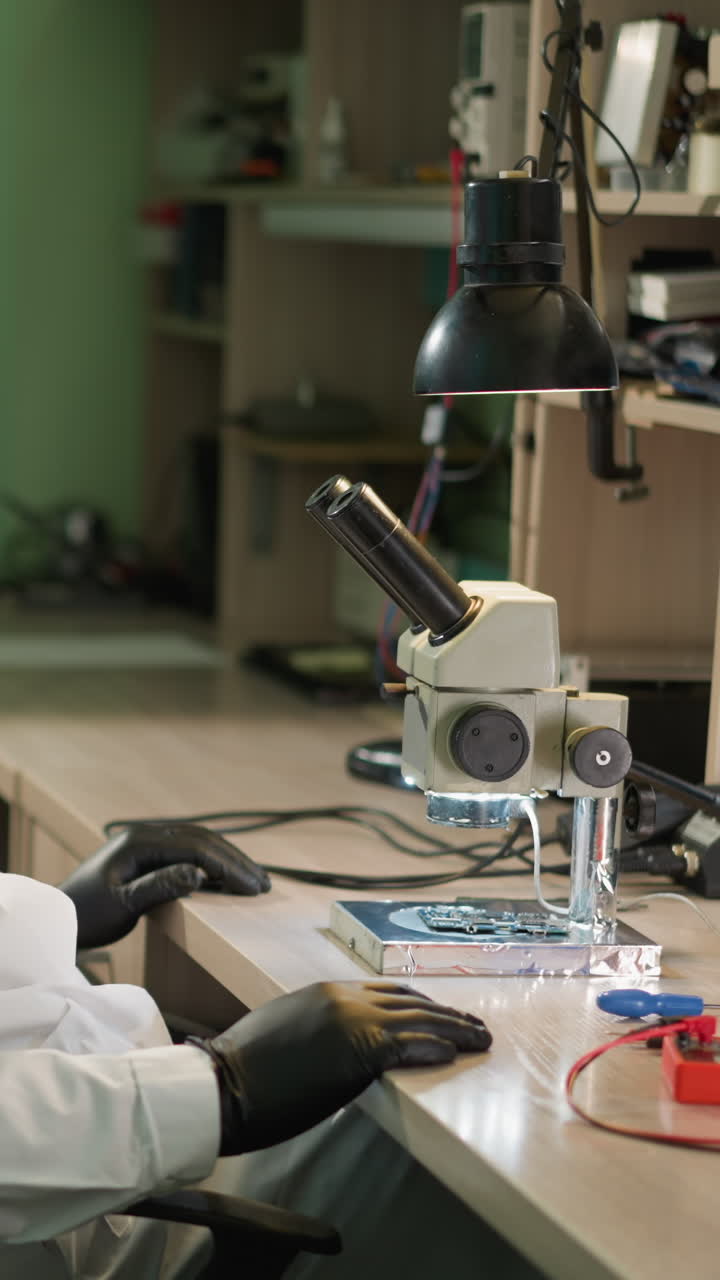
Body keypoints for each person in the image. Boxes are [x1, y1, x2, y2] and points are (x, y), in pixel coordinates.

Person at [0, 825, 494, 1279]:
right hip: (66, 1194)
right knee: (434, 1162)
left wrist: (36, 929)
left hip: (89, 1131)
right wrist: (220, 1085)